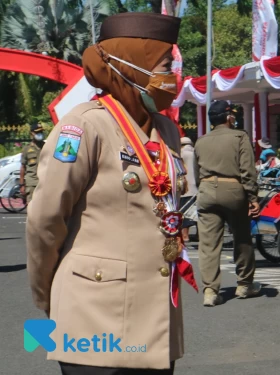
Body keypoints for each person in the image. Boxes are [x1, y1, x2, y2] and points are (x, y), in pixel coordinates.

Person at [26, 12, 198, 374]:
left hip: (155, 324)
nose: (172, 77)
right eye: (164, 65)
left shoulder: (165, 129)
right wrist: (47, 294)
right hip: (93, 319)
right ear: (131, 64)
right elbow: (45, 220)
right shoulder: (84, 126)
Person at [194, 100, 262, 307]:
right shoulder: (239, 136)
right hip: (233, 191)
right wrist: (253, 197)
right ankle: (244, 284)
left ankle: (210, 291)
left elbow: (197, 175)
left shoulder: (200, 141)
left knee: (208, 244)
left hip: (206, 190)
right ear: (228, 117)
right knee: (242, 238)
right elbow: (247, 170)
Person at [19, 123, 45, 201]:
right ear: (32, 133)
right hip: (31, 183)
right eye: (37, 132)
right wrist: (22, 184)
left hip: (44, 182)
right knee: (31, 208)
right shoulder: (26, 149)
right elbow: (23, 167)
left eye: (41, 132)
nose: (39, 134)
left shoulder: (46, 146)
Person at [180, 136, 198, 242]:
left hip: (185, 188)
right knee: (196, 213)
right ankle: (199, 235)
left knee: (185, 213)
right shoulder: (195, 153)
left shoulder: (181, 154)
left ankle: (185, 235)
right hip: (196, 187)